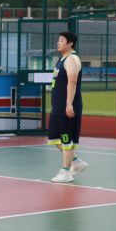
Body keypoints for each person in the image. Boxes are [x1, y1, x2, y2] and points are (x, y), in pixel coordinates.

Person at [49, 31, 87, 183]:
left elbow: (72, 82)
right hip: (58, 107)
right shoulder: (62, 59)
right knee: (55, 139)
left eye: (62, 40)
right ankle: (76, 161)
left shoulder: (72, 59)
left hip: (67, 107)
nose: (58, 43)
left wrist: (69, 104)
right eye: (58, 40)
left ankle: (65, 172)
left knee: (66, 140)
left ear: (70, 43)